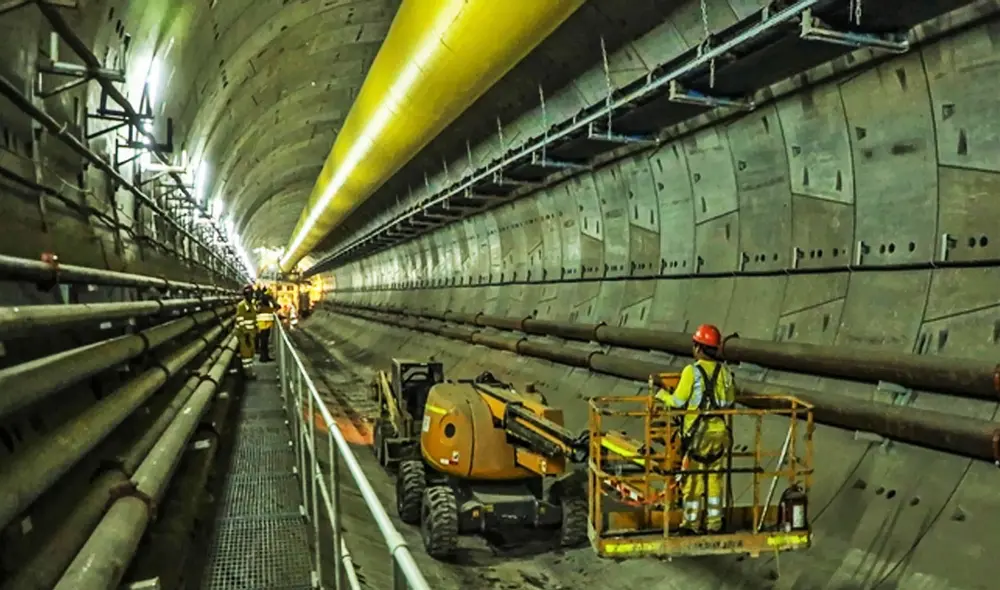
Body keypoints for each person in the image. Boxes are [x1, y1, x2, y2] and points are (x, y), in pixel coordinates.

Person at [654, 323, 735, 534]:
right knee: (714, 477)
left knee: (693, 479)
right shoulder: (725, 372)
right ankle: (714, 523)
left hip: (698, 434)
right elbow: (729, 401)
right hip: (719, 432)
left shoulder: (691, 371)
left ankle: (691, 524)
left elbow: (679, 401)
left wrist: (661, 394)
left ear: (698, 348)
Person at [236, 284, 258, 378]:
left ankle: (249, 372)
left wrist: (256, 329)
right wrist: (245, 334)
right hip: (244, 335)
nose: (251, 296)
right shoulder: (242, 305)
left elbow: (254, 318)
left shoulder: (251, 305)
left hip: (251, 333)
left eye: (252, 294)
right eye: (249, 294)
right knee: (246, 355)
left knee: (251, 352)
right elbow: (240, 320)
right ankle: (247, 374)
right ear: (245, 295)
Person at [255, 287, 278, 362]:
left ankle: (265, 357)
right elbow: (275, 307)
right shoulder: (266, 304)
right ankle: (263, 358)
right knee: (264, 342)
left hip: (265, 324)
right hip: (264, 325)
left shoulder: (261, 303)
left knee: (264, 342)